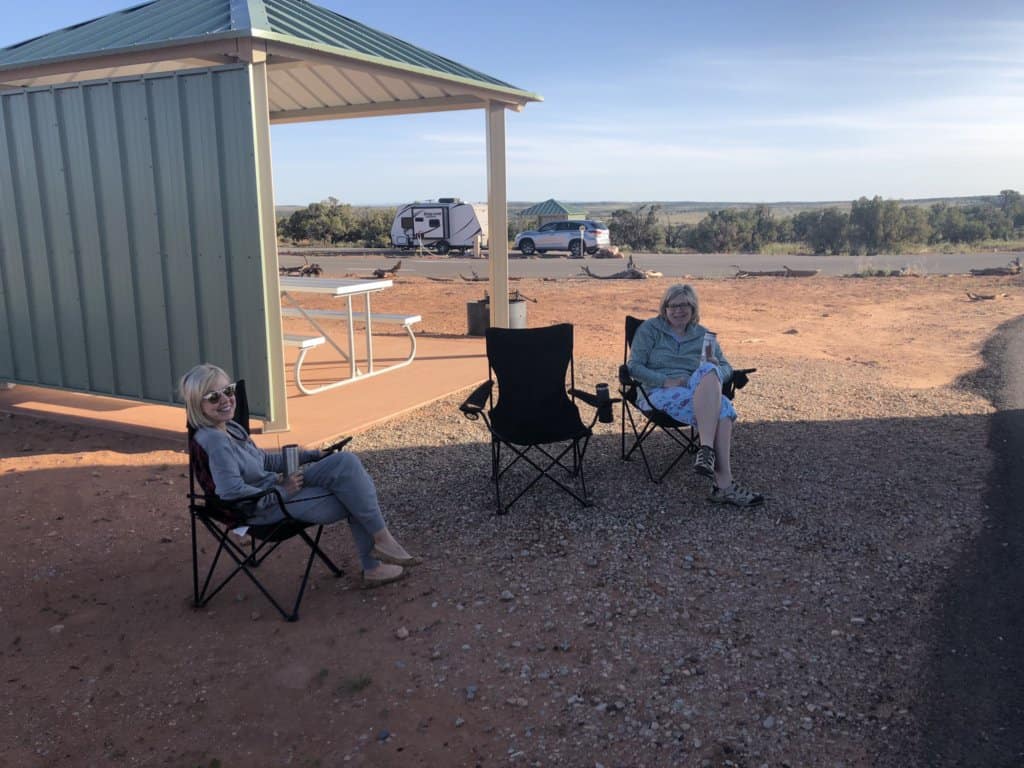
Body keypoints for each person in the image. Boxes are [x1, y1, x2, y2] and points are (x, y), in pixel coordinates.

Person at [180, 363, 421, 587]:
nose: (225, 399)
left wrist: (314, 455)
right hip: (264, 509)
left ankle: (382, 543)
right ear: (196, 405)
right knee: (354, 494)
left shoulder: (230, 427)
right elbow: (231, 493)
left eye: (228, 390)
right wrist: (281, 491)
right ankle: (375, 563)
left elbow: (263, 460)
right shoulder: (215, 442)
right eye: (213, 396)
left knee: (345, 463)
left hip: (279, 489)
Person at [628, 284, 764, 507]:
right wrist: (665, 381)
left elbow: (727, 367)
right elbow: (633, 367)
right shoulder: (650, 329)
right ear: (665, 307)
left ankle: (706, 450)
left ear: (693, 308)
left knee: (710, 368)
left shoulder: (703, 334)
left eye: (684, 305)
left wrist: (715, 373)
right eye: (673, 305)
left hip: (697, 390)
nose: (678, 310)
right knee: (725, 409)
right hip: (659, 391)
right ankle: (725, 485)